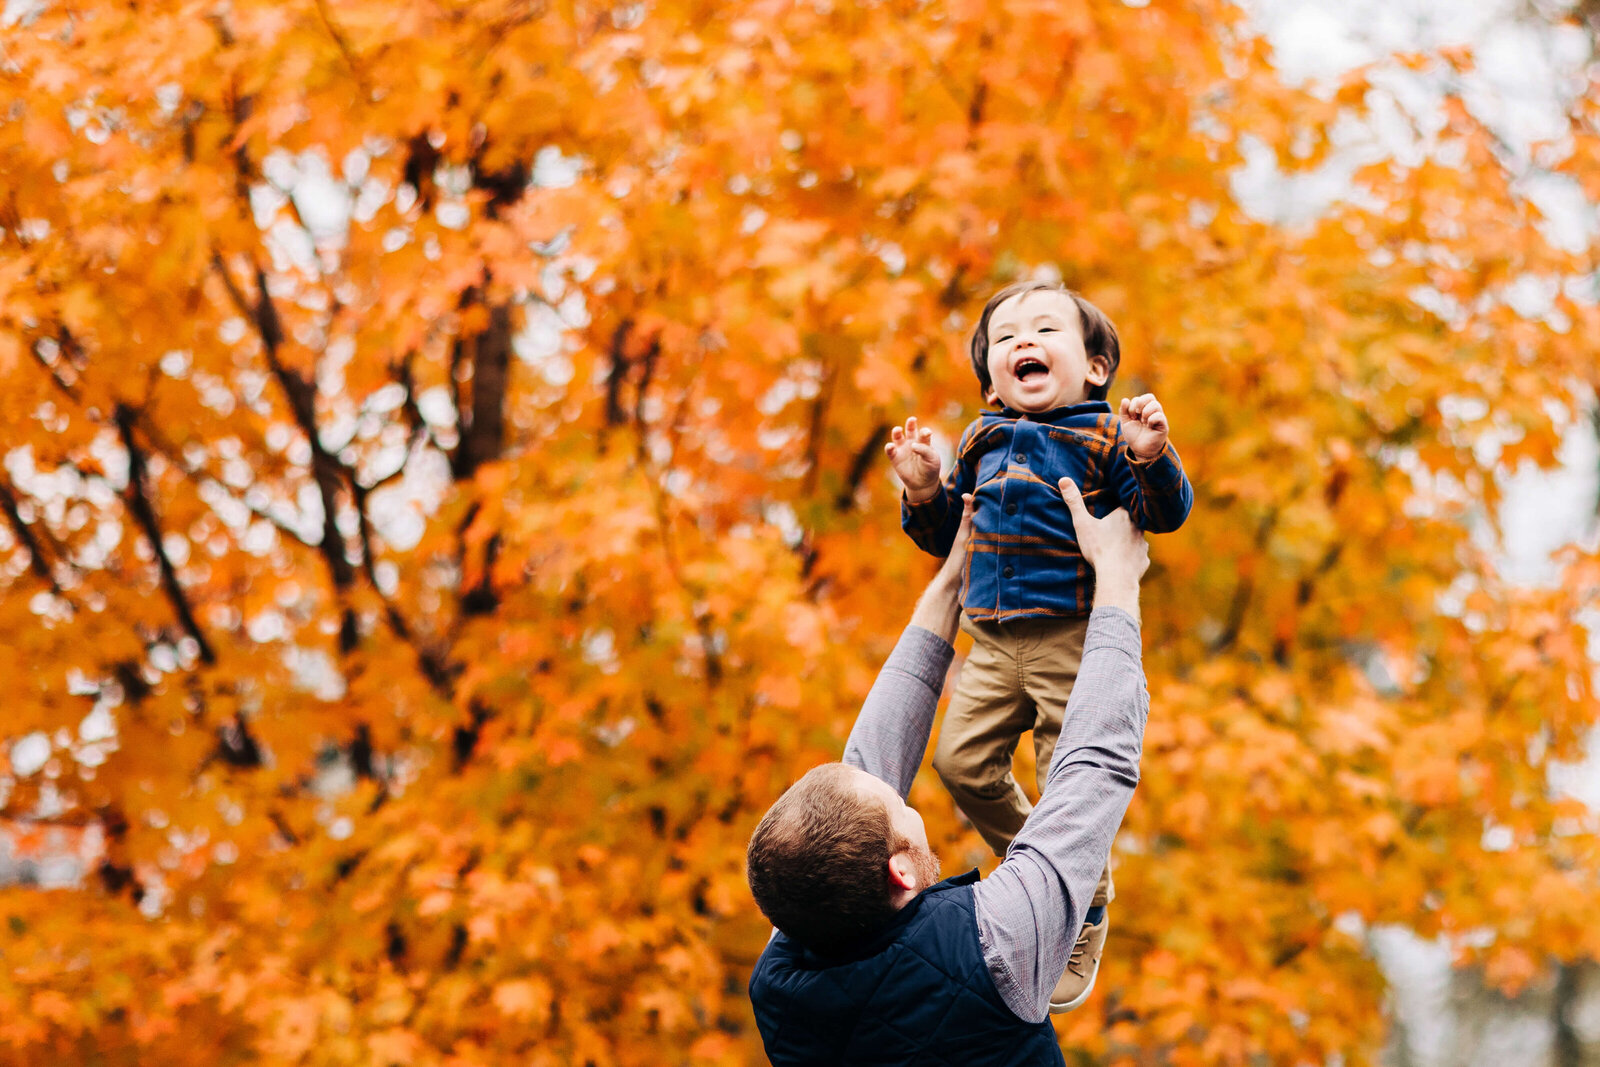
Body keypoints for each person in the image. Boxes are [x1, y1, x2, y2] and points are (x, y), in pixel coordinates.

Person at [746, 480, 1152, 1064]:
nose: (903, 796)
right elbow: (1093, 766)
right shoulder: (994, 947)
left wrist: (951, 583)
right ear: (903, 871)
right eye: (899, 808)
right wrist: (1117, 581)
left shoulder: (782, 983)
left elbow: (861, 778)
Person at [885, 280, 1192, 1009]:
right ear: (990, 375)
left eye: (1046, 329)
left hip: (1069, 641)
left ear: (1094, 366)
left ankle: (1078, 903)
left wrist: (1152, 456)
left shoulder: (1105, 437)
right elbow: (945, 543)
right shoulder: (980, 441)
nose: (1023, 342)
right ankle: (1055, 872)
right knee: (958, 760)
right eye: (1005, 337)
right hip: (988, 642)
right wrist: (925, 490)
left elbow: (1163, 515)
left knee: (1070, 782)